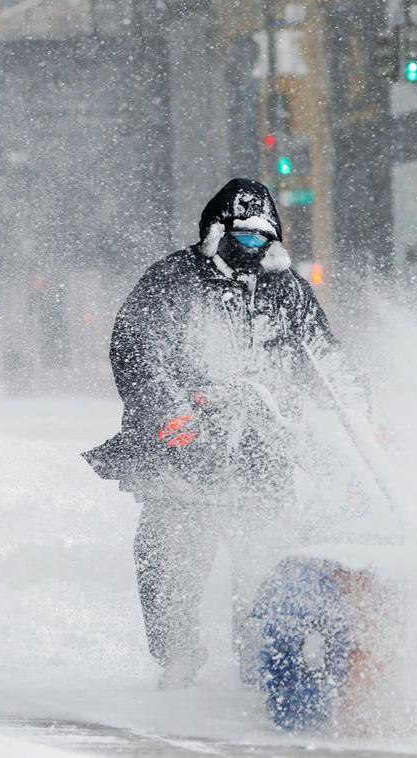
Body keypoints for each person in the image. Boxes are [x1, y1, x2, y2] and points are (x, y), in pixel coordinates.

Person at [83, 178, 343, 690]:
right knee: (171, 563)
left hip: (261, 450)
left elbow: (326, 360)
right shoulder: (173, 282)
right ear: (217, 232)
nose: (253, 251)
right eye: (243, 239)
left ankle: (258, 670)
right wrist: (171, 413)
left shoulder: (285, 289)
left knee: (264, 563)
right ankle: (178, 663)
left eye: (262, 241)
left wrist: (358, 417)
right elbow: (135, 350)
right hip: (187, 454)